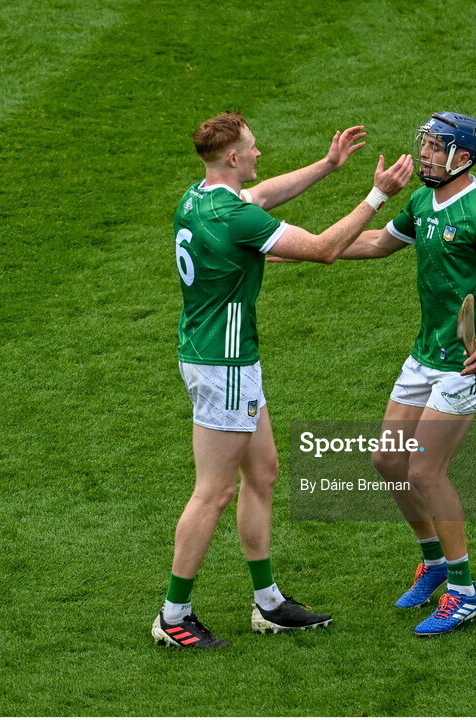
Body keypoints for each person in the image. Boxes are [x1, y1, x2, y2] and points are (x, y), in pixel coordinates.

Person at [152, 112, 413, 649]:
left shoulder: (198, 197)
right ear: (232, 158)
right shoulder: (232, 218)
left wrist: (328, 165)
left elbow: (262, 196)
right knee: (214, 491)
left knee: (264, 473)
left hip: (221, 356)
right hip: (223, 367)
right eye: (251, 148)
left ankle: (267, 603)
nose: (257, 154)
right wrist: (376, 195)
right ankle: (173, 615)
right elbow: (322, 249)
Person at [339, 111, 476, 636]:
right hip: (427, 352)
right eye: (424, 144)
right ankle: (434, 561)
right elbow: (378, 243)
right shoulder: (423, 201)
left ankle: (464, 592)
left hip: (468, 361)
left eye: (434, 147)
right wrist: (305, 250)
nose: (422, 154)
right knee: (387, 460)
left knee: (424, 470)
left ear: (462, 157)